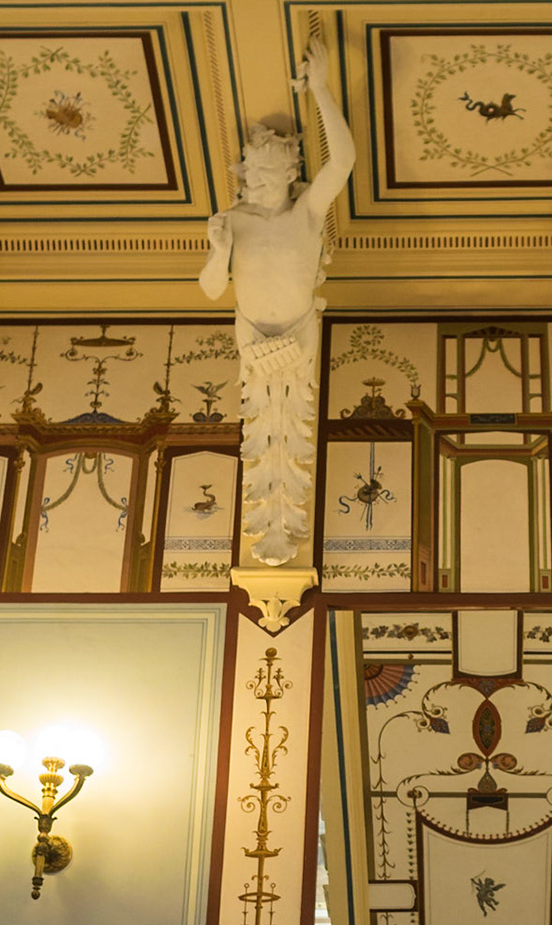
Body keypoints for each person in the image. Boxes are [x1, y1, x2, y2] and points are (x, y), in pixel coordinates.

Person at [200, 37, 354, 566]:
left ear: (291, 175)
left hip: (297, 334)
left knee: (291, 428)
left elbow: (345, 160)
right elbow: (213, 289)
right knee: (264, 429)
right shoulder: (235, 222)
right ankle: (268, 518)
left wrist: (322, 90)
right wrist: (219, 252)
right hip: (252, 338)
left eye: (268, 175)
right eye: (252, 175)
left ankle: (284, 519)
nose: (257, 183)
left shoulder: (305, 214)